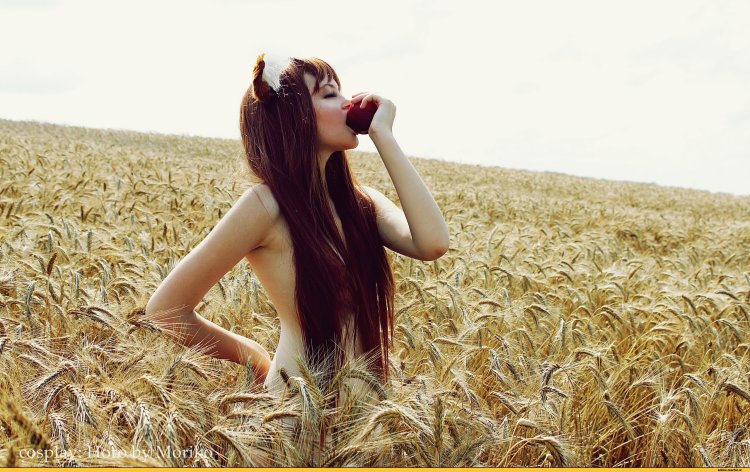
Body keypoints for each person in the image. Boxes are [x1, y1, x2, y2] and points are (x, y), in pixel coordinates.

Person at [144, 52, 449, 459]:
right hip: (292, 423)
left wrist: (386, 139)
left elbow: (432, 243)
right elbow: (166, 309)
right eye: (328, 95)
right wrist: (252, 356)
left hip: (365, 423)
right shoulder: (265, 206)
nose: (347, 103)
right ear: (295, 116)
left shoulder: (363, 206)